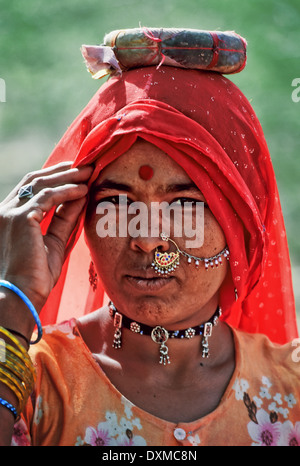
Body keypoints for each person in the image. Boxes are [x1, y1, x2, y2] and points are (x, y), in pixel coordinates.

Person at [0, 32, 299, 446]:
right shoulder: (28, 382)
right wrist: (13, 303)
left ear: (241, 224)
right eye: (118, 203)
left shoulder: (292, 391)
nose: (146, 240)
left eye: (184, 206)